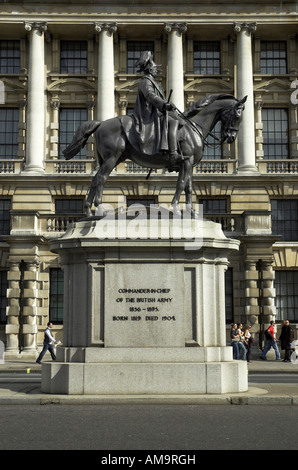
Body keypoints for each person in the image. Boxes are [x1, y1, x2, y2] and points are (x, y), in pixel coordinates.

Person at [131, 50, 184, 169]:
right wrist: (164, 105)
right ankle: (173, 154)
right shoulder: (145, 81)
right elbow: (150, 96)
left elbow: (159, 98)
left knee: (177, 118)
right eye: (155, 68)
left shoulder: (155, 83)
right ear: (149, 69)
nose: (157, 70)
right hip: (148, 114)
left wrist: (169, 105)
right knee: (173, 122)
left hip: (157, 112)